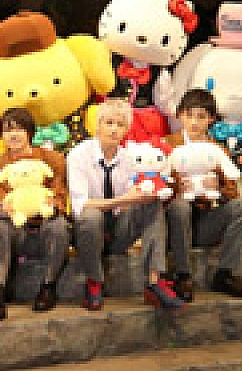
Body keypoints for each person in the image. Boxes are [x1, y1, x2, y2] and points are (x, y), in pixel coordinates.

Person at [68, 98, 184, 310]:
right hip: (88, 234)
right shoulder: (78, 155)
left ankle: (154, 281)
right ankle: (94, 282)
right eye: (109, 123)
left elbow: (137, 196)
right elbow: (81, 205)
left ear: (126, 130)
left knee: (152, 204)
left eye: (120, 125)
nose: (114, 129)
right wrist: (126, 199)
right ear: (98, 125)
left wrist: (148, 193)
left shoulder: (130, 158)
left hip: (119, 228)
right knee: (91, 215)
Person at [0, 108, 69, 327]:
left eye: (19, 129)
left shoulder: (53, 159)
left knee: (59, 225)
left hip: (44, 227)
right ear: (2, 136)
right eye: (8, 130)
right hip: (15, 229)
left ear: (29, 132)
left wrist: (52, 205)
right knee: (0, 225)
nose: (13, 135)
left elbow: (60, 193)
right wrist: (4, 207)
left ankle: (48, 287)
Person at [165, 88, 242, 302]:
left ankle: (226, 274)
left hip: (205, 222)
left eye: (201, 116)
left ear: (211, 119)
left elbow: (232, 191)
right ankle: (183, 275)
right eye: (189, 115)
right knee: (179, 206)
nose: (194, 122)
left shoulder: (217, 150)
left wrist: (218, 187)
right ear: (179, 116)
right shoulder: (166, 144)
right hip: (173, 227)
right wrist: (177, 187)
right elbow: (153, 186)